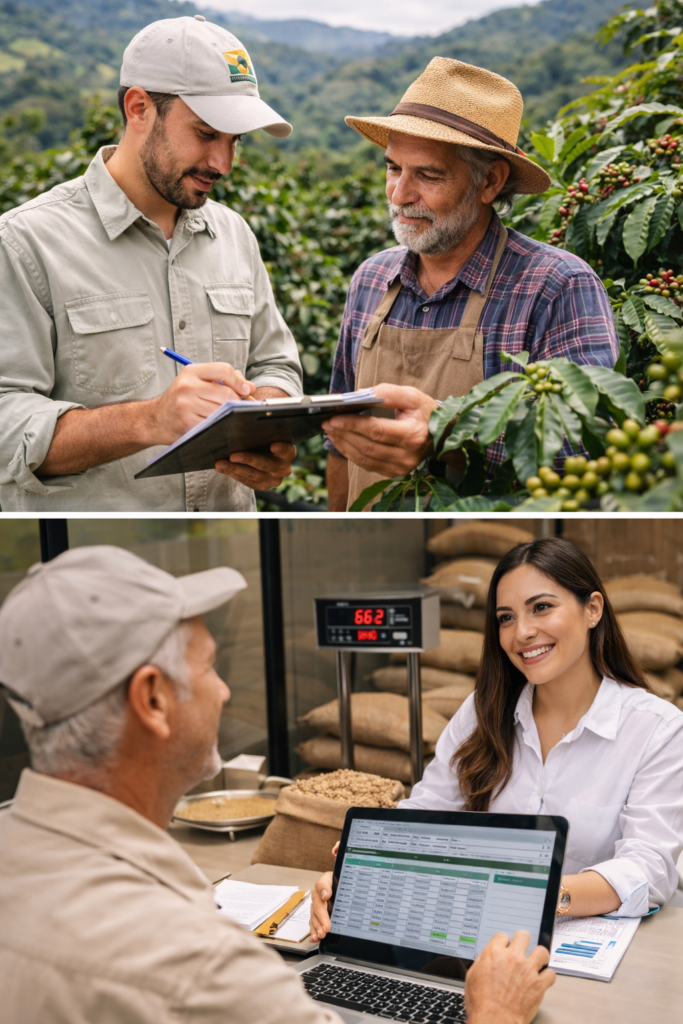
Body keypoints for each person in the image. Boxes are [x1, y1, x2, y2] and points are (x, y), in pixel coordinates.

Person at [0, 545, 554, 1024]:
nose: (224, 692)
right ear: (152, 699)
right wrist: (496, 1013)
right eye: (209, 666)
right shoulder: (200, 965)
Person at [0, 16, 303, 512]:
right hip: (99, 552)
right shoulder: (25, 242)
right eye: (206, 133)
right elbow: (6, 421)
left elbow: (274, 364)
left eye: (235, 140)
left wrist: (265, 422)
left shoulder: (235, 236)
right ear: (139, 108)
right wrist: (150, 420)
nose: (223, 163)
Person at [311, 537, 683, 936]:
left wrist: (539, 896)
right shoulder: (482, 711)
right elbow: (424, 815)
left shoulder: (657, 729)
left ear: (592, 609)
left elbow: (649, 868)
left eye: (542, 607)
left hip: (593, 946)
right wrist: (357, 874)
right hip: (476, 935)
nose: (522, 632)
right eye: (506, 617)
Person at [322, 58, 619, 510]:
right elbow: (339, 442)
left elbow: (582, 454)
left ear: (490, 182)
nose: (399, 195)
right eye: (393, 168)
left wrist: (447, 431)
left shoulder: (557, 287)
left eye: (428, 175)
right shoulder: (371, 279)